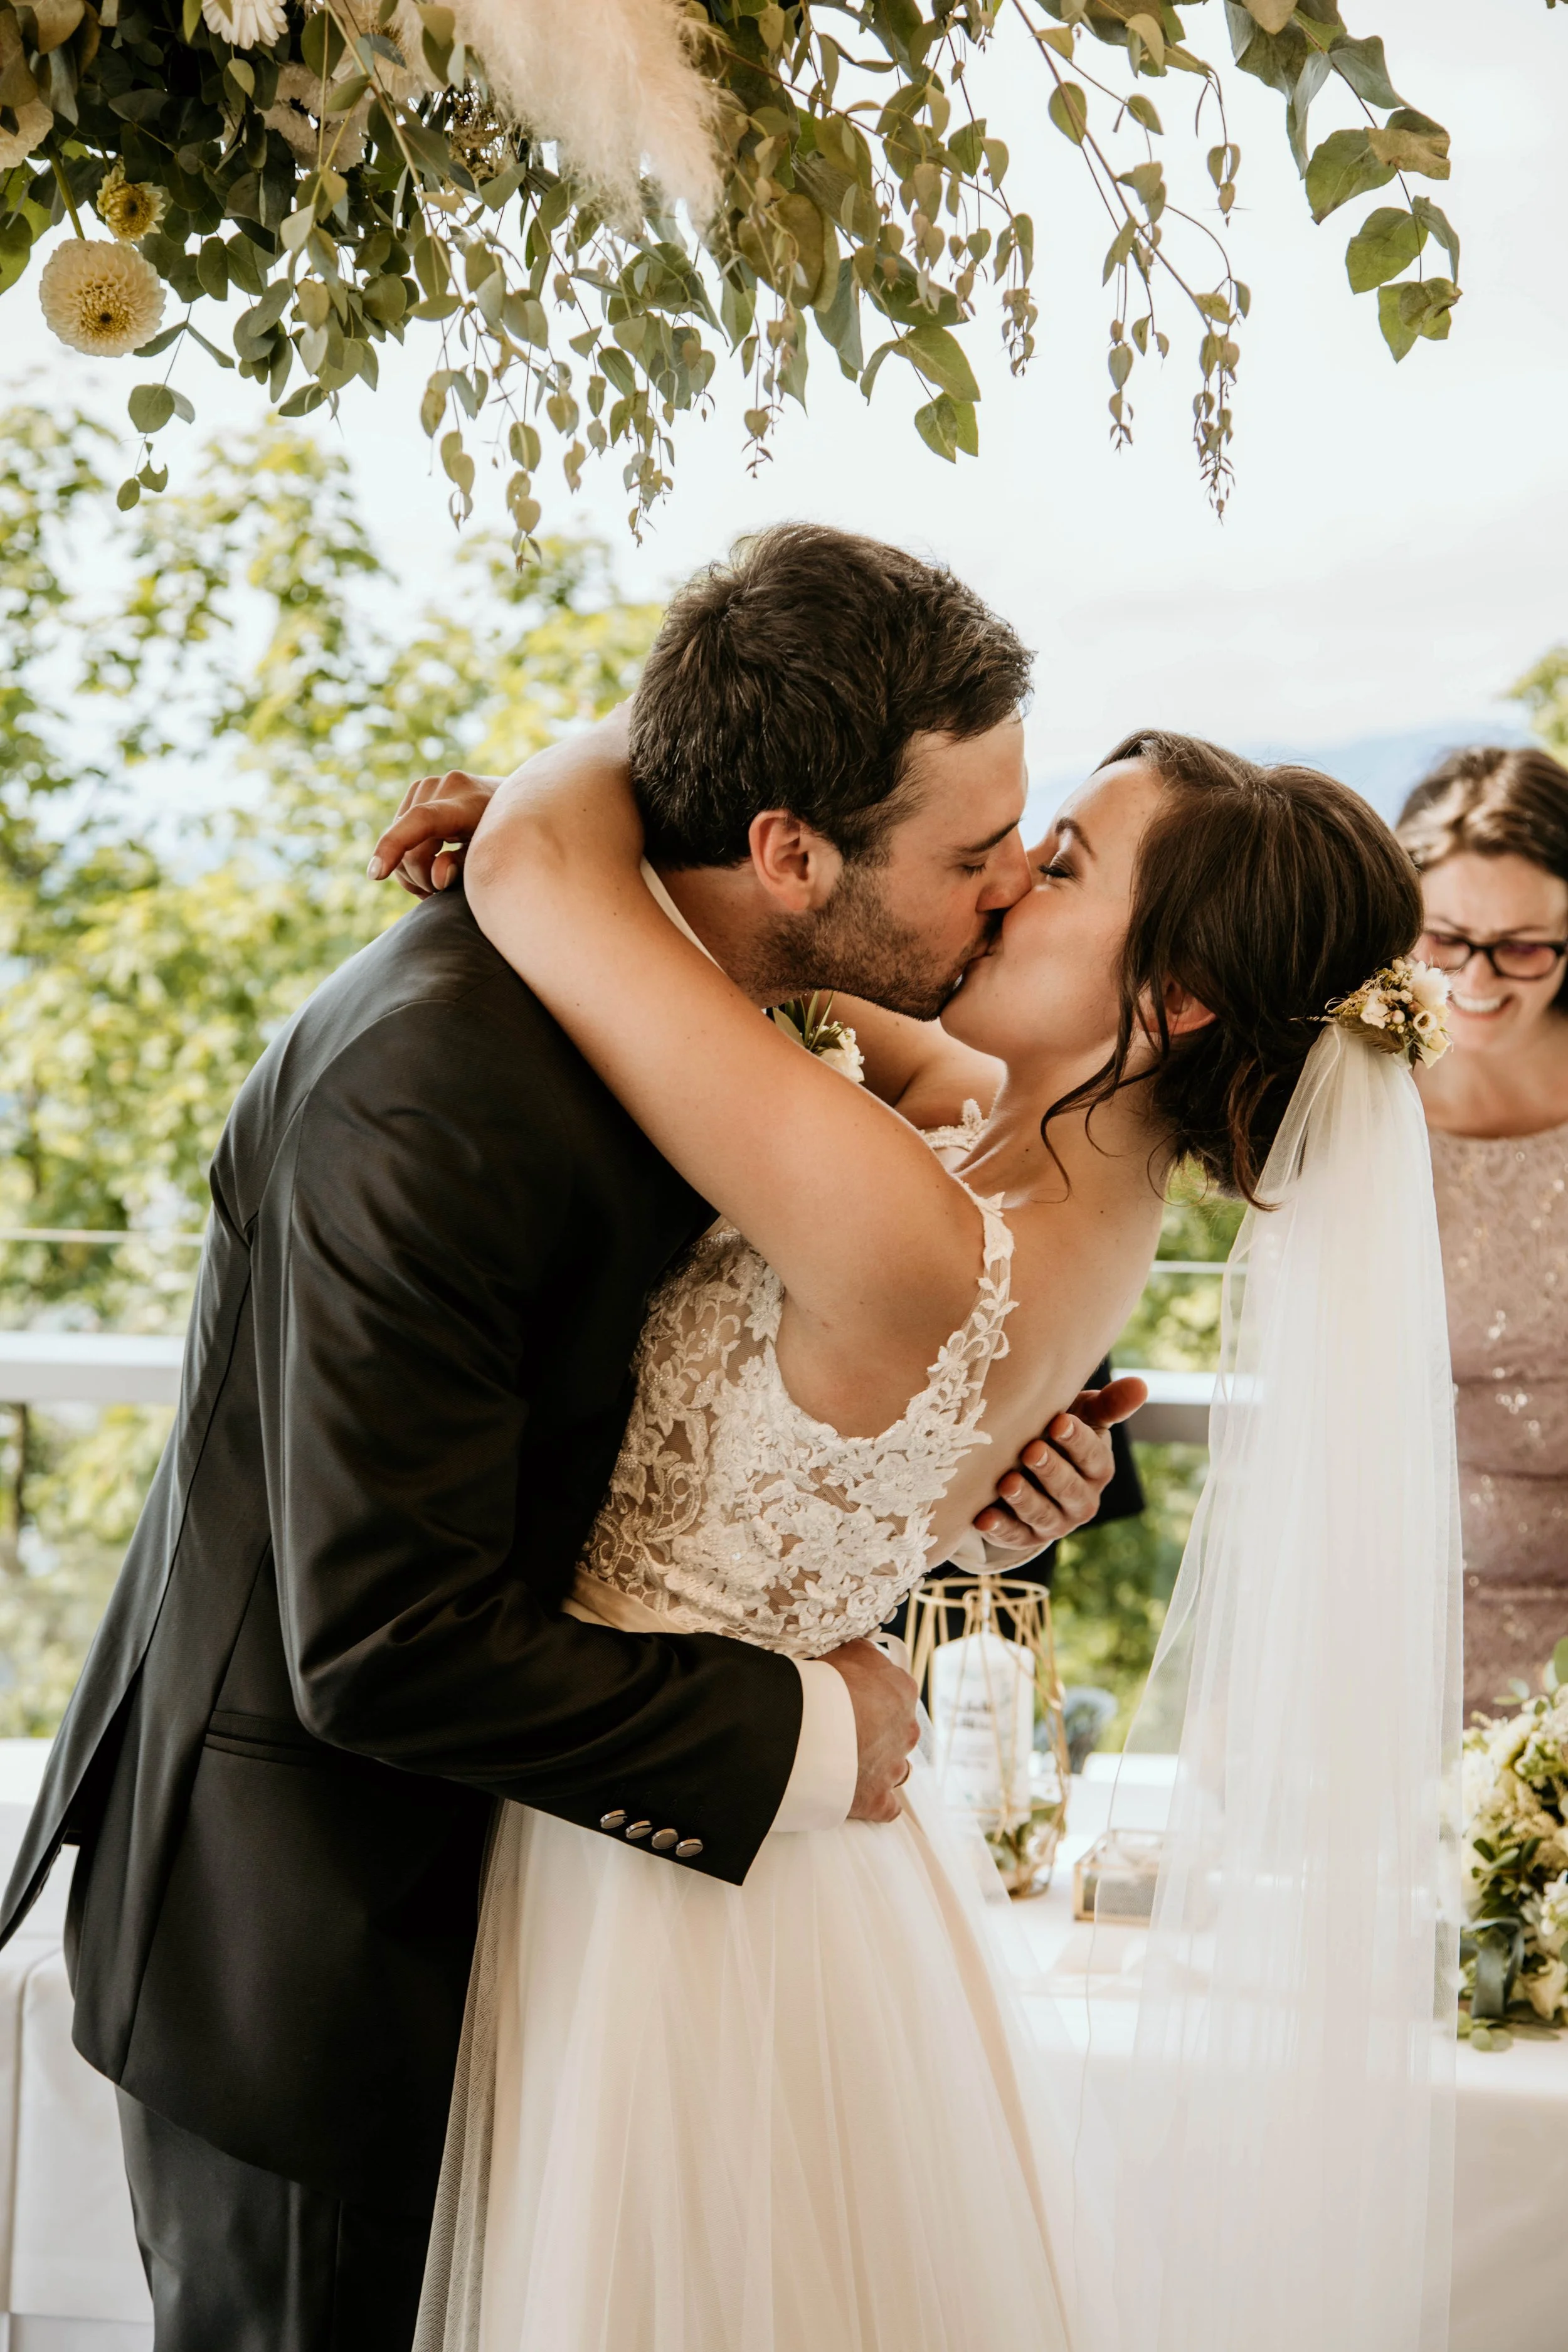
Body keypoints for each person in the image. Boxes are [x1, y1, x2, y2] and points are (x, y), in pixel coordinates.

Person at [0, 526, 1133, 2352]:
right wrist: (811, 1723)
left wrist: (996, 1479)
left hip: (561, 1931)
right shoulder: (431, 1091)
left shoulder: (705, 988)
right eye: (974, 853)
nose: (1005, 892)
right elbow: (383, 1638)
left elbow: (722, 1397)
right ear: (788, 850)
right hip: (332, 1943)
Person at [374, 707, 1445, 2352]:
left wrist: (618, 772)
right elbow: (777, 967)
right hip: (729, 1828)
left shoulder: (921, 1223)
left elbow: (539, 868)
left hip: (676, 1870)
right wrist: (653, 869)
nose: (1008, 873)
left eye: (1063, 861)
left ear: (1168, 1002)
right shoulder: (1034, 1145)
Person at [1397, 744, 1568, 1722]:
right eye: (1447, 938)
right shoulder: (1364, 1094)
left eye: (1525, 946)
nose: (1476, 976)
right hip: (1423, 1612)